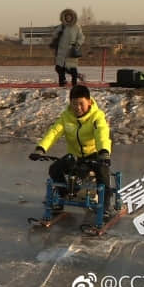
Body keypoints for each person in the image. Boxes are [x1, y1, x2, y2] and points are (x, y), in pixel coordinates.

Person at [28, 85, 114, 219]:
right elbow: (54, 132)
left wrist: (103, 151)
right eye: (74, 104)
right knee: (55, 169)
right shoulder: (66, 117)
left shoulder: (97, 117)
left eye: (81, 104)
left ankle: (105, 207)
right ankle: (62, 196)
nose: (78, 108)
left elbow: (101, 133)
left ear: (89, 102)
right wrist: (41, 148)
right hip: (75, 156)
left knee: (102, 172)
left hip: (95, 155)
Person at [51, 8, 84, 86]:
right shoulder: (61, 26)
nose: (68, 18)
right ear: (64, 17)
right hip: (61, 50)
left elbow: (81, 37)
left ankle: (74, 84)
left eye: (69, 16)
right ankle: (62, 84)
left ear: (72, 17)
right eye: (66, 16)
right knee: (59, 68)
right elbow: (54, 35)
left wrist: (77, 44)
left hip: (71, 50)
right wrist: (57, 34)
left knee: (73, 69)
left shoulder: (76, 27)